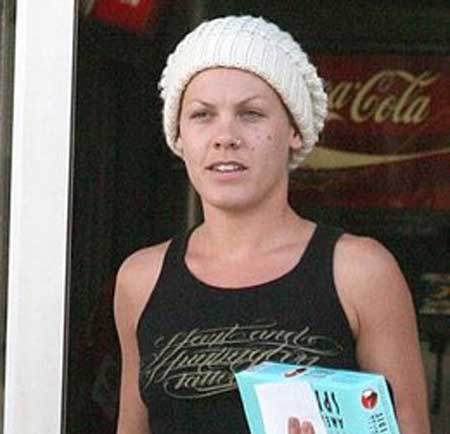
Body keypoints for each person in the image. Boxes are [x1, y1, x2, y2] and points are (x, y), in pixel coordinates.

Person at [114, 15, 430, 434]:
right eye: (202, 115)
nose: (225, 136)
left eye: (251, 113)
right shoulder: (141, 280)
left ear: (294, 130)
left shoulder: (360, 272)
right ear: (179, 135)